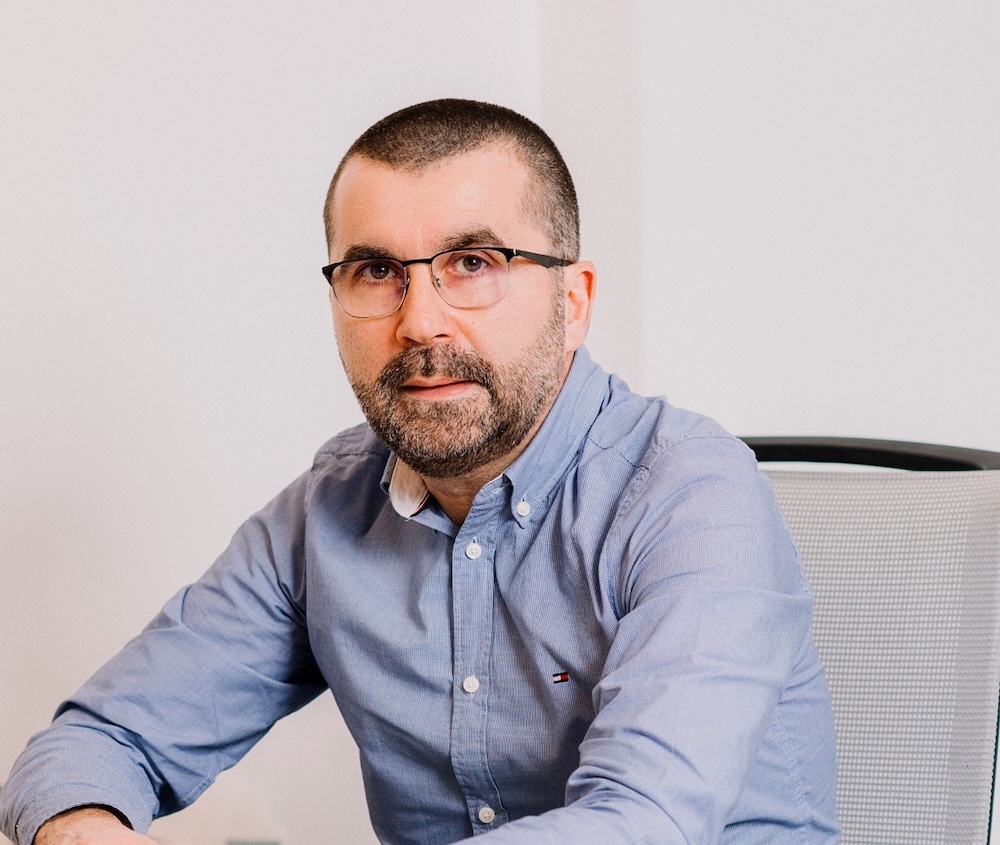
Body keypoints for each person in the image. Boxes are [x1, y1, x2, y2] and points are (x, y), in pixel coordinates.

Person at [0, 99, 839, 845]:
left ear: (574, 300)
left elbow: (642, 822)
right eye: (376, 272)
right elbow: (94, 743)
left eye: (472, 263)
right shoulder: (327, 513)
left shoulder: (693, 496)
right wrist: (83, 828)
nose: (419, 322)